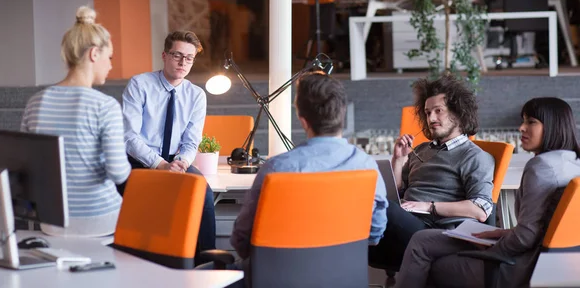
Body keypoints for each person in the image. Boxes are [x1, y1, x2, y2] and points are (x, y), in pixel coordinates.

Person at [396, 97, 580, 288]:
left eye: (531, 122)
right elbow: (545, 228)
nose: (522, 128)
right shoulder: (572, 164)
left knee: (432, 262)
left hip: (520, 267)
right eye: (523, 121)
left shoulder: (541, 167)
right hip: (560, 266)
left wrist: (489, 249)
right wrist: (503, 232)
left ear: (554, 126)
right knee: (422, 239)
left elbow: (526, 237)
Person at [230, 72, 388, 279]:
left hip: (278, 277)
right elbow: (375, 233)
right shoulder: (367, 167)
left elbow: (242, 238)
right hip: (344, 277)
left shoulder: (277, 169)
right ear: (342, 113)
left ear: (303, 120)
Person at [21, 6, 131, 237]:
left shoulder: (36, 102)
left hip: (52, 221)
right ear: (94, 54)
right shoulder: (105, 105)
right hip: (101, 219)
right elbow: (118, 173)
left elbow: (26, 167)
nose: (111, 65)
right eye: (109, 57)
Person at [369, 73, 495, 269]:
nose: (431, 118)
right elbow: (398, 192)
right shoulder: (421, 150)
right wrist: (398, 160)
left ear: (458, 112)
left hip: (436, 229)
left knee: (380, 207)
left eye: (438, 111)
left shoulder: (475, 156)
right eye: (427, 113)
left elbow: (480, 210)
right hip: (406, 223)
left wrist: (429, 206)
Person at [122, 30, 215, 256]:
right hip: (139, 160)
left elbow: (192, 141)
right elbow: (129, 137)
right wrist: (161, 165)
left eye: (189, 58)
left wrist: (182, 163)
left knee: (203, 194)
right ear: (164, 55)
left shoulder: (196, 95)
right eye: (177, 55)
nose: (183, 62)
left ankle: (206, 262)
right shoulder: (140, 85)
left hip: (176, 162)